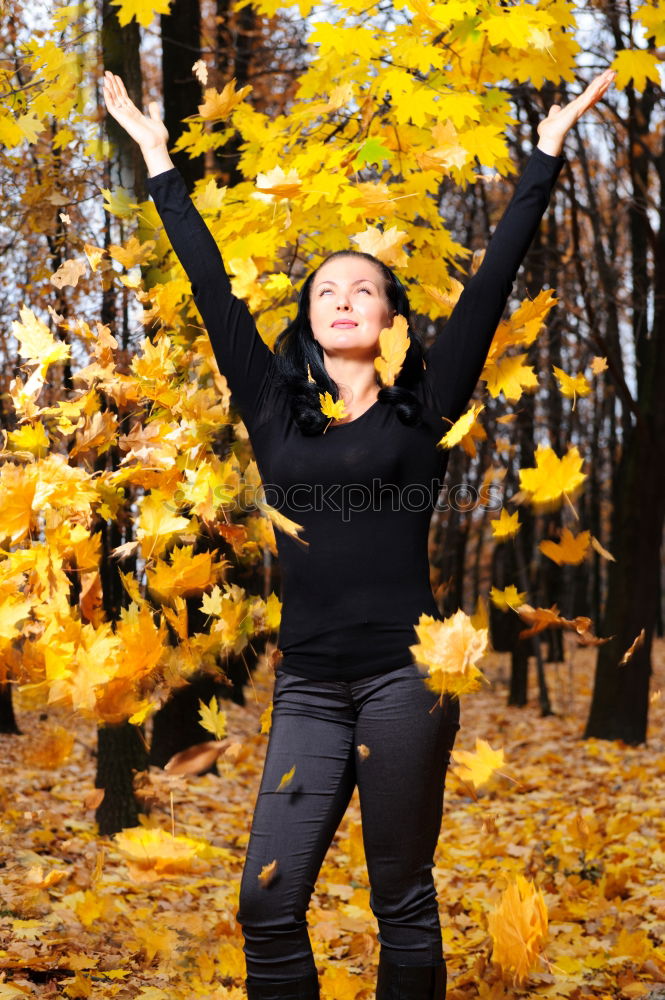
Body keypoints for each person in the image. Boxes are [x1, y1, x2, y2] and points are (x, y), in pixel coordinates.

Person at [103, 67, 615, 1000]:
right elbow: (211, 283)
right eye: (325, 289)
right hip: (303, 686)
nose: (341, 297)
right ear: (306, 321)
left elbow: (497, 274)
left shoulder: (425, 408)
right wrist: (155, 162)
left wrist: (544, 153)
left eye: (363, 288)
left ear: (390, 318)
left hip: (402, 682)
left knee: (401, 900)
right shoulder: (272, 409)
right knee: (266, 904)